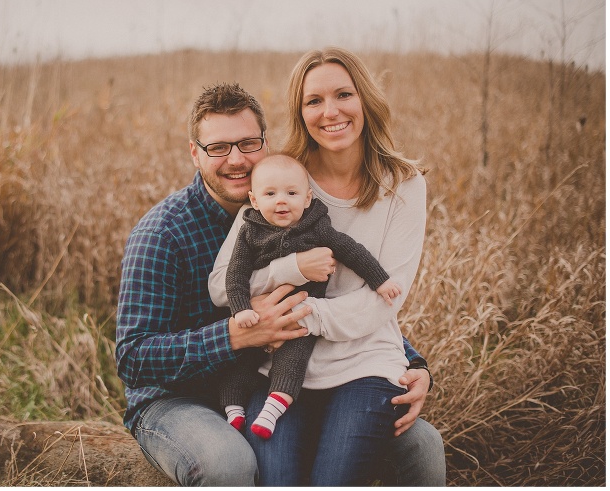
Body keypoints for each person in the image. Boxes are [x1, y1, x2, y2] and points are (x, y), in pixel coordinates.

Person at [115, 81, 445, 486]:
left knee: (422, 444)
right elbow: (132, 358)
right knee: (228, 462)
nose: (236, 159)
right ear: (194, 153)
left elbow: (332, 297)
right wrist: (234, 337)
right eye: (218, 147)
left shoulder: (286, 209)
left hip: (271, 380)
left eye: (248, 143)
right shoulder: (163, 234)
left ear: (266, 144)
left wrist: (413, 363)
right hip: (181, 399)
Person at [208, 47, 439, 485]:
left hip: (365, 365)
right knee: (278, 479)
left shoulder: (404, 186)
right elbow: (223, 284)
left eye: (343, 95)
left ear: (365, 99)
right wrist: (293, 267)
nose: (330, 112)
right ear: (301, 113)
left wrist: (303, 314)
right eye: (314, 100)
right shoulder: (283, 178)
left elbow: (384, 300)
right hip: (278, 369)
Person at [220, 153, 402, 440]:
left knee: (292, 362)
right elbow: (235, 275)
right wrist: (242, 309)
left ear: (307, 199)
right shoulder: (250, 232)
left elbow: (350, 250)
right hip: (260, 316)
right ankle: (234, 410)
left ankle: (271, 412)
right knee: (241, 362)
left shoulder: (316, 227)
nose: (281, 201)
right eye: (270, 194)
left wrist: (380, 280)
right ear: (254, 200)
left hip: (301, 318)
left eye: (291, 194)